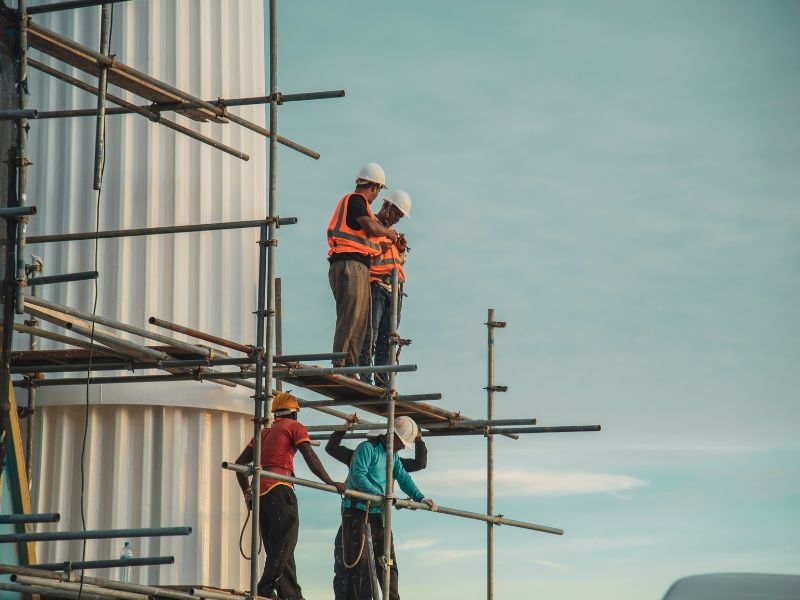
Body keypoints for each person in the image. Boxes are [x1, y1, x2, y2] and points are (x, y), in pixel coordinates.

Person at [234, 392, 346, 600]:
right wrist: (330, 482)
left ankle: (291, 594)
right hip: (279, 486)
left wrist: (248, 494)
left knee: (279, 547)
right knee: (287, 540)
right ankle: (266, 586)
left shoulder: (263, 433)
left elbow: (239, 466)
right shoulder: (294, 427)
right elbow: (310, 455)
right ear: (294, 414)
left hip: (261, 493)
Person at [327, 415, 428, 600]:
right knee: (358, 566)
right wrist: (378, 496)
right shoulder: (367, 448)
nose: (403, 447)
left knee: (388, 564)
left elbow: (404, 478)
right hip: (358, 512)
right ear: (393, 436)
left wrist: (420, 497)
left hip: (377, 514)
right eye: (402, 442)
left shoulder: (393, 457)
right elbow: (358, 474)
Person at [328, 163, 399, 369]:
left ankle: (350, 365)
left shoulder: (362, 208)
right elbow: (370, 226)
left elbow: (370, 239)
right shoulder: (356, 200)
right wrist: (387, 233)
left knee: (360, 320)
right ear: (375, 187)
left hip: (358, 265)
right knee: (350, 315)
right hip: (347, 263)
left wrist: (390, 241)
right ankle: (340, 363)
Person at [357, 190, 412, 386]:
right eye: (396, 213)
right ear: (387, 206)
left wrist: (402, 249)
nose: (398, 218)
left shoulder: (393, 234)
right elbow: (362, 254)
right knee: (370, 333)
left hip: (394, 291)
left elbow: (398, 262)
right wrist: (381, 249)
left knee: (387, 339)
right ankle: (364, 377)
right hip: (376, 286)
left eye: (400, 215)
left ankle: (382, 381)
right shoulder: (371, 225)